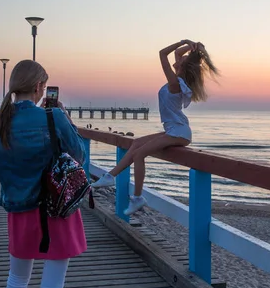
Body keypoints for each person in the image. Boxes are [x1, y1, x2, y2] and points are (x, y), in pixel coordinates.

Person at [0, 60, 86, 288]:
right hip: (55, 208)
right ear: (39, 86)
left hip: (18, 209)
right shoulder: (55, 117)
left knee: (17, 280)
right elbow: (79, 157)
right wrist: (68, 121)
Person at [92, 40, 219, 215]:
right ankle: (110, 176)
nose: (178, 59)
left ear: (183, 66)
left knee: (139, 153)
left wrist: (183, 42)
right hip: (173, 130)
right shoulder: (178, 79)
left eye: (181, 60)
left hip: (179, 131)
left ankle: (137, 197)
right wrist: (193, 47)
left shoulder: (175, 83)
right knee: (136, 144)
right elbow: (177, 54)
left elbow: (162, 54)